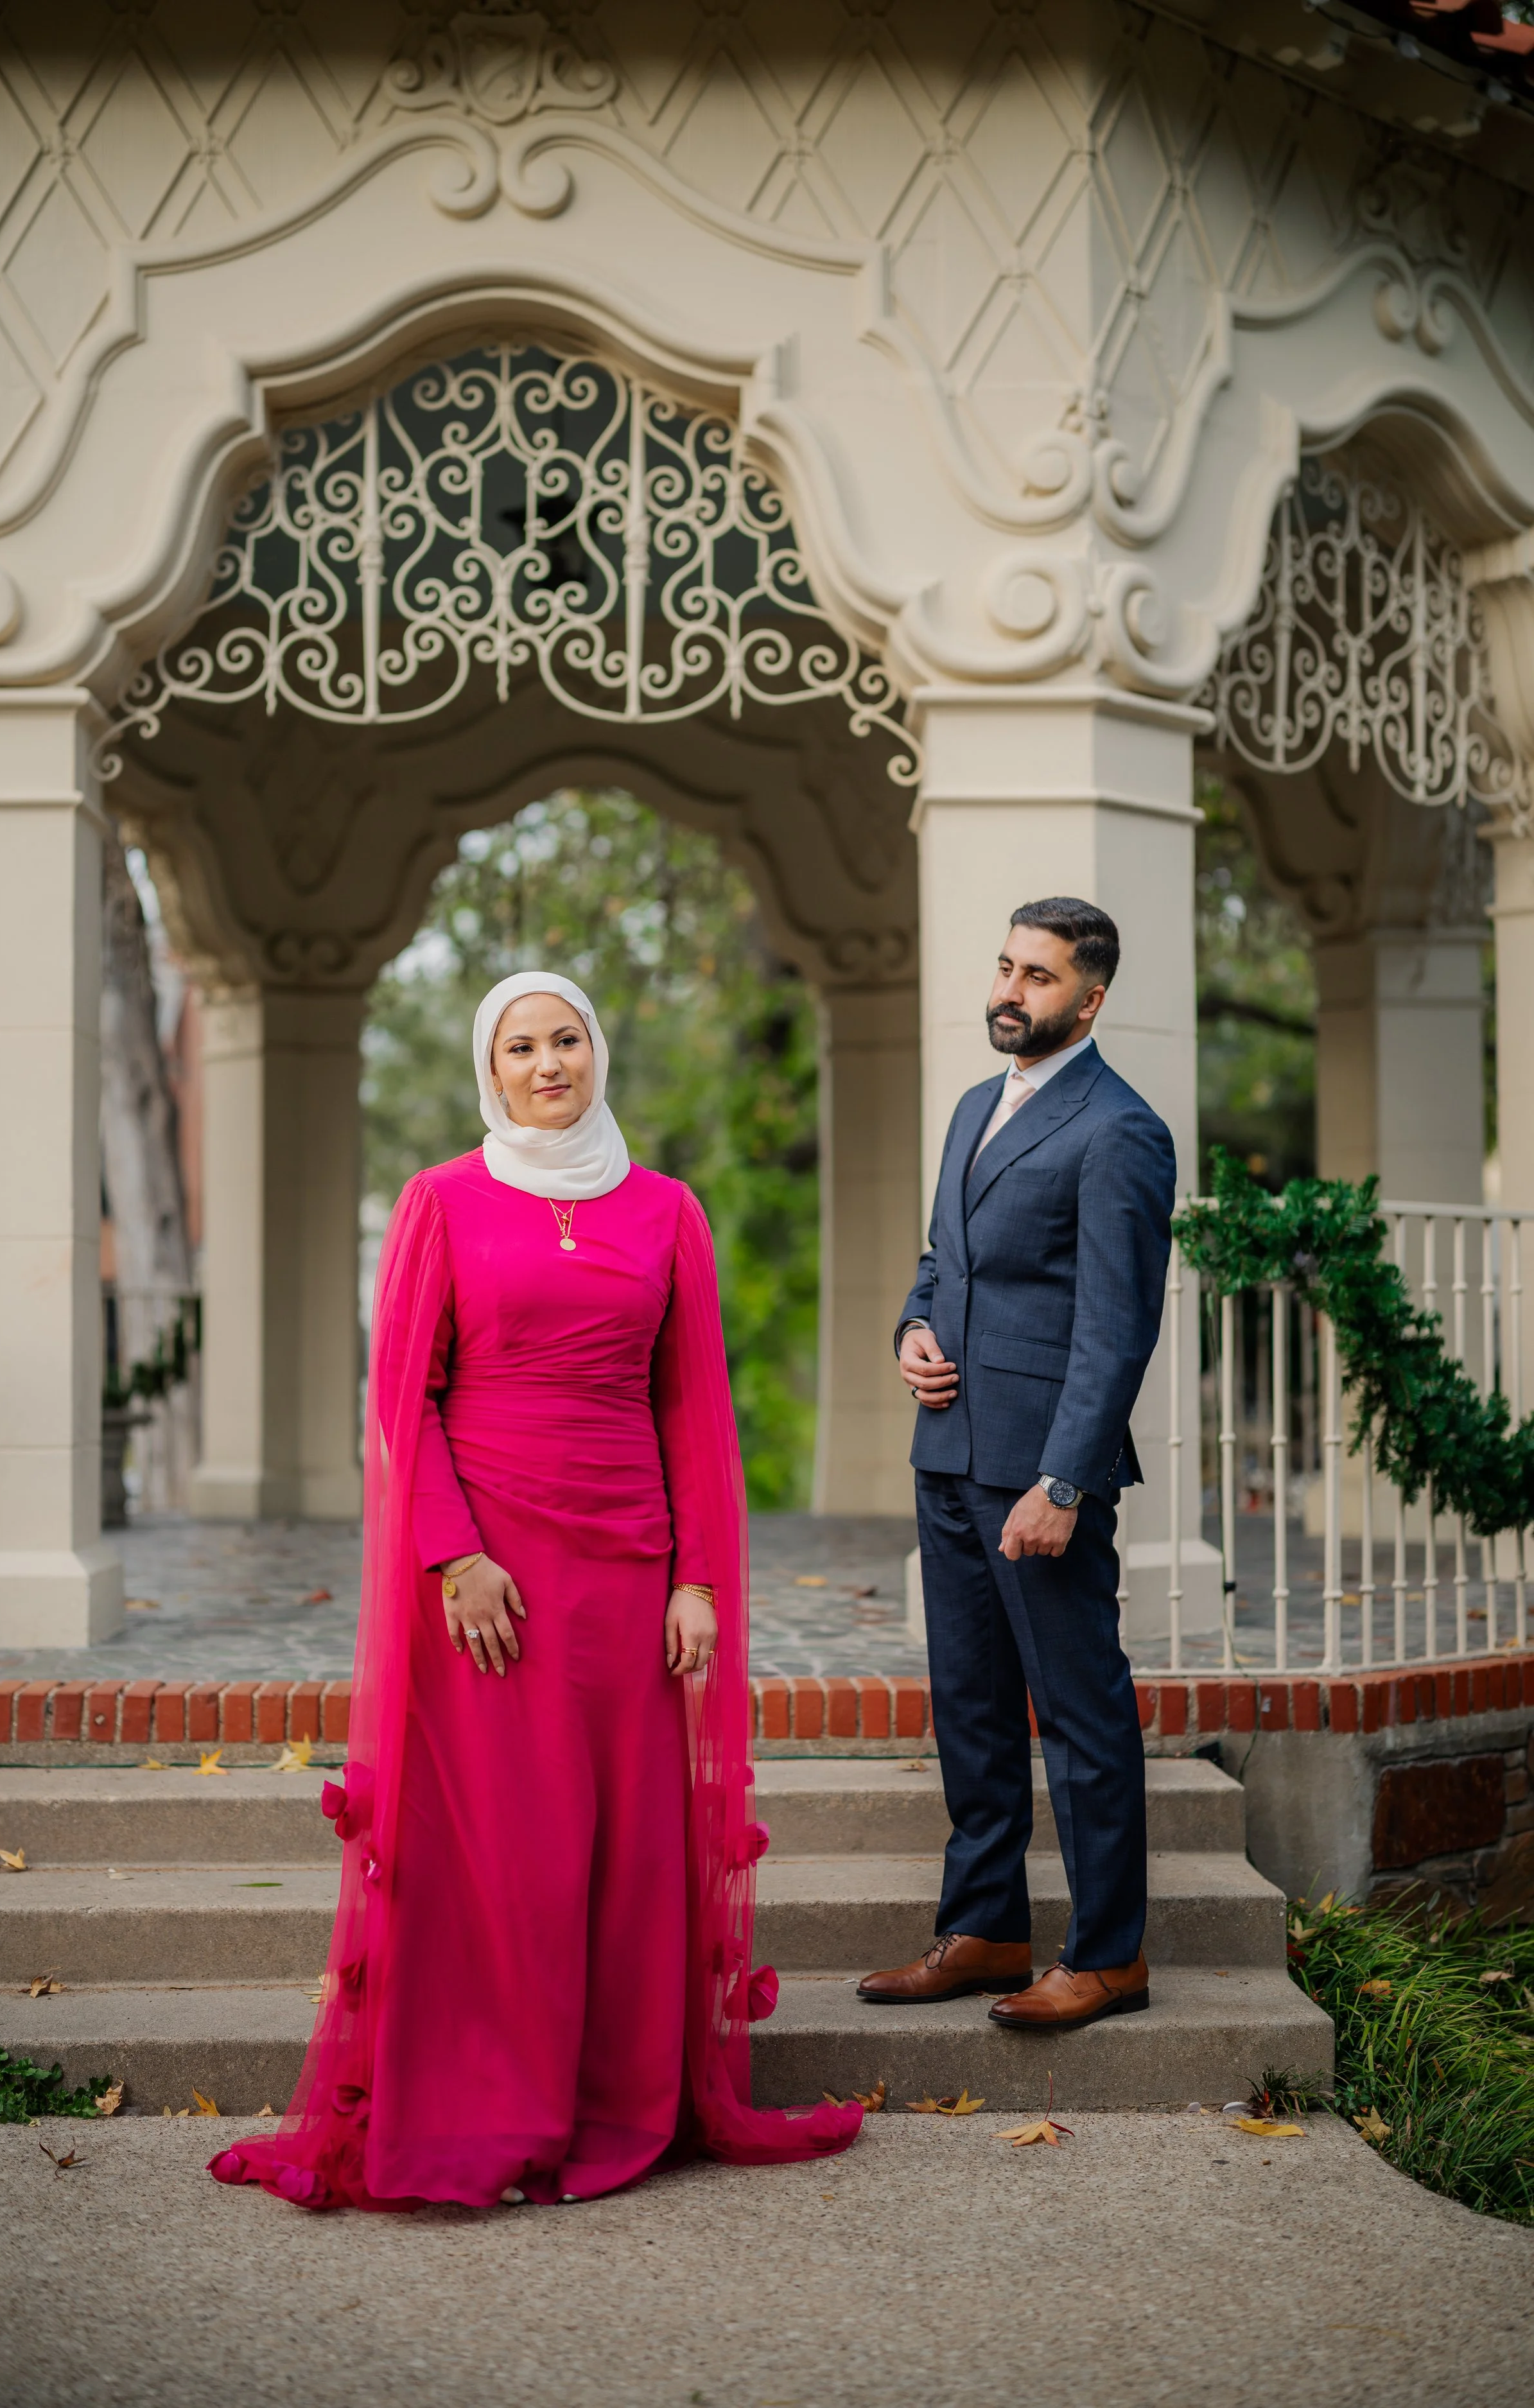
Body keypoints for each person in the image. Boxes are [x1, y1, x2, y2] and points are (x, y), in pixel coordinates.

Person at [211, 971, 860, 2210]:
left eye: (568, 1039)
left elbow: (692, 1411)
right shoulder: (441, 1202)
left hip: (626, 1575)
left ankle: (613, 2107)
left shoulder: (669, 1211)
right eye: (523, 1045)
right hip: (488, 1577)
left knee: (616, 1850)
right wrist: (454, 1557)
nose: (549, 1062)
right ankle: (487, 2106)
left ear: (598, 1052)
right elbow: (405, 1402)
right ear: (490, 1067)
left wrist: (699, 1582)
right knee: (507, 1850)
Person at [859, 900, 1175, 2032]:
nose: (1010, 990)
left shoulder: (1120, 1129)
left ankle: (1108, 1956)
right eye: (1005, 966)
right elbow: (944, 1256)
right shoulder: (971, 1109)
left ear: (1087, 999)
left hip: (1039, 1473)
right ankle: (987, 1926)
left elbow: (1116, 1326)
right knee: (973, 1706)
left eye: (1037, 977)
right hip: (947, 1451)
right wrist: (911, 1327)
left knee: (1080, 1709)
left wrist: (1064, 1482)